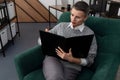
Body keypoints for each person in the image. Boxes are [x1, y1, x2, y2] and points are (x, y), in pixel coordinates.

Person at [41, 1, 97, 80]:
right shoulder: (61, 26)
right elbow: (40, 42)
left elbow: (90, 61)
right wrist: (45, 38)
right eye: (72, 15)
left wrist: (72, 59)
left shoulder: (90, 34)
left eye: (77, 17)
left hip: (73, 66)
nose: (73, 19)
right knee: (55, 77)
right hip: (53, 59)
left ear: (85, 18)